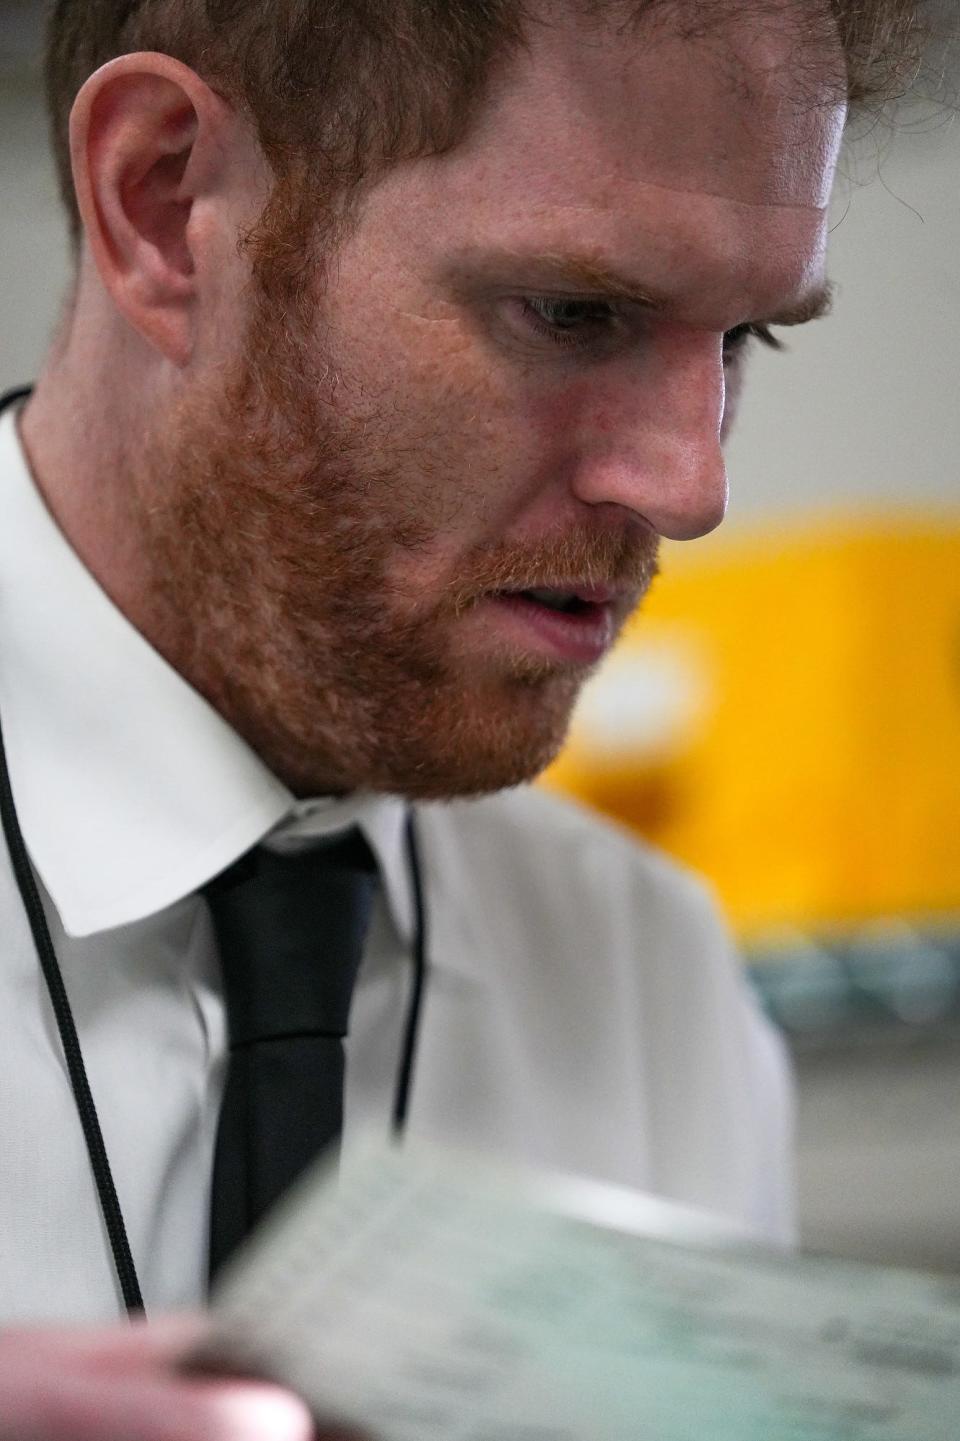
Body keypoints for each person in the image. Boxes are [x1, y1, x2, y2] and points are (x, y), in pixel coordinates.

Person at [0, 0, 923, 1436]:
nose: (690, 486)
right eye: (576, 314)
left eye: (745, 339)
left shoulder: (648, 985)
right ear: (165, 203)